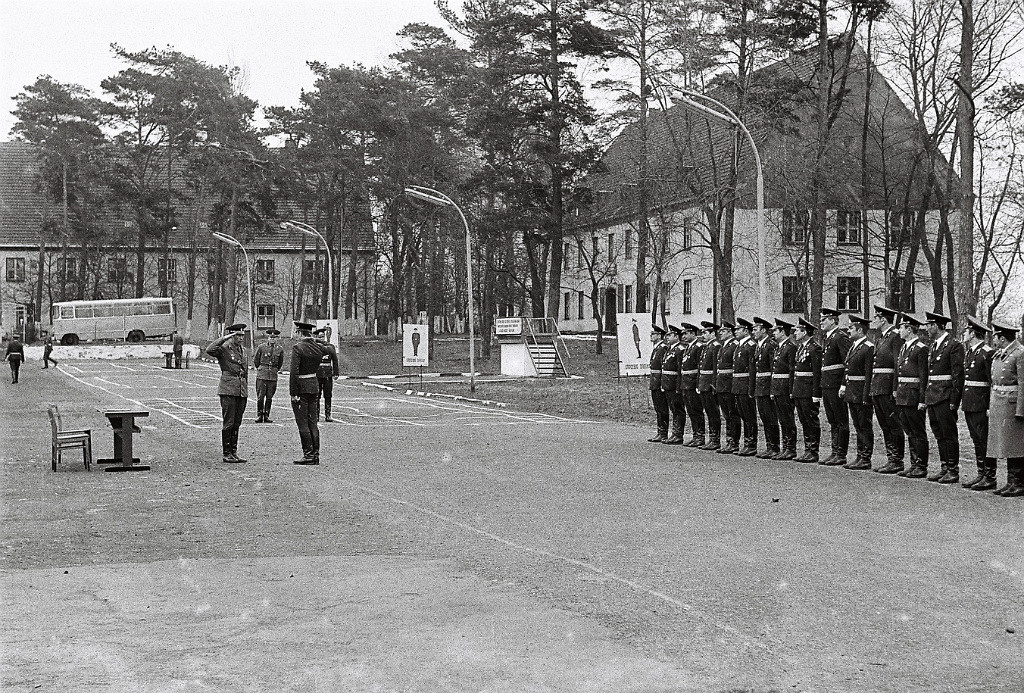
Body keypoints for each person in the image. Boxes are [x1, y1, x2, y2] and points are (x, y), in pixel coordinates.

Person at [923, 311, 966, 484]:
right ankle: (944, 467)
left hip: (945, 396)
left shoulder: (954, 345)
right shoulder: (934, 345)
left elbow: (958, 375)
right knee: (938, 432)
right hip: (933, 395)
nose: (926, 328)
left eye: (929, 325)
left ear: (936, 326)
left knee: (949, 434)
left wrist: (954, 401)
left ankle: (953, 469)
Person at [988, 321, 1024, 497]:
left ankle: (1019, 482)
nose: (993, 339)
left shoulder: (1019, 353)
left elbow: (1023, 384)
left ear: (1002, 338)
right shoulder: (1001, 354)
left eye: (995, 336)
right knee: (1007, 445)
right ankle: (1011, 481)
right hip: (1000, 403)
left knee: (1016, 445)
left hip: (1012, 404)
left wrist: (1021, 410)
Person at [960, 316, 997, 490]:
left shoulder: (987, 353)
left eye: (966, 331)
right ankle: (981, 473)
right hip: (970, 401)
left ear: (973, 333)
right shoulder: (971, 351)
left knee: (983, 439)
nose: (964, 334)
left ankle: (990, 476)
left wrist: (990, 405)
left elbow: (992, 381)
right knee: (976, 439)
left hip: (981, 402)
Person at [205, 324, 249, 463]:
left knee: (237, 422)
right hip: (228, 389)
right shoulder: (224, 349)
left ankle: (234, 452)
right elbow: (209, 349)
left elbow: (245, 370)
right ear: (231, 336)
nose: (241, 338)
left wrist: (245, 388)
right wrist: (224, 338)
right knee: (229, 422)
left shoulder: (243, 350)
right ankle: (227, 453)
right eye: (237, 335)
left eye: (242, 335)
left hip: (241, 390)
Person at [869, 305, 905, 474]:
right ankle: (891, 458)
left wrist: (894, 388)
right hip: (878, 386)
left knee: (893, 423)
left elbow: (898, 364)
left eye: (876, 318)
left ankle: (897, 460)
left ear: (883, 320)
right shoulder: (881, 337)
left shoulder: (895, 337)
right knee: (884, 424)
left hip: (888, 386)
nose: (873, 321)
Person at [893, 313, 930, 478]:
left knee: (918, 431)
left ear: (909, 329)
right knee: (909, 430)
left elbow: (924, 377)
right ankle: (914, 463)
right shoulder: (904, 347)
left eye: (901, 327)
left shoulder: (921, 348)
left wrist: (922, 399)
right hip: (903, 394)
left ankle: (921, 465)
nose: (899, 330)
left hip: (914, 396)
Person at [290, 321, 328, 465]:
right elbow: (329, 349)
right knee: (313, 421)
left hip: (301, 387)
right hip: (313, 385)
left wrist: (293, 392)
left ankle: (308, 454)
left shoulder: (298, 348)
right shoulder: (318, 348)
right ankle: (315, 453)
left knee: (302, 422)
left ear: (300, 333)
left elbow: (294, 372)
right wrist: (316, 340)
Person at [819, 308, 853, 466]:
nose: (821, 322)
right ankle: (834, 451)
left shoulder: (840, 337)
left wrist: (844, 384)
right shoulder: (828, 337)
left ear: (833, 320)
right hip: (827, 384)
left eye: (824, 319)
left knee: (841, 420)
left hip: (836, 384)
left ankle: (841, 453)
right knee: (832, 420)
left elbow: (848, 363)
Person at [841, 316, 875, 470]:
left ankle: (865, 458)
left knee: (864, 425)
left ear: (860, 330)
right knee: (858, 425)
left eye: (851, 328)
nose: (848, 331)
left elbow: (868, 374)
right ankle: (860, 455)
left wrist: (866, 395)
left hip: (861, 391)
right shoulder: (854, 346)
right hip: (852, 390)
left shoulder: (868, 347)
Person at [791, 318, 822, 463]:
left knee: (811, 420)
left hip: (808, 390)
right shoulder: (801, 347)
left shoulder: (814, 348)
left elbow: (817, 373)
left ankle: (813, 450)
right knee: (804, 420)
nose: (795, 333)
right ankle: (807, 449)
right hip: (800, 389)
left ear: (805, 332)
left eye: (797, 330)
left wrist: (816, 394)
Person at [752, 317, 779, 459]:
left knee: (771, 417)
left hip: (767, 385)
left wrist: (772, 389)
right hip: (760, 385)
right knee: (764, 417)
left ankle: (774, 446)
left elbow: (773, 369)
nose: (753, 332)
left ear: (763, 330)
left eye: (755, 329)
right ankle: (769, 446)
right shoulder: (760, 345)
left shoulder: (770, 345)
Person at [770, 318, 797, 459]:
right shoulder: (779, 347)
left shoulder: (790, 347)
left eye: (776, 330)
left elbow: (792, 370)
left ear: (783, 332)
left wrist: (791, 389)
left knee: (788, 418)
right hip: (778, 387)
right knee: (782, 418)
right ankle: (785, 446)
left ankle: (790, 448)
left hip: (785, 387)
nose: (773, 333)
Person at [731, 318, 758, 456]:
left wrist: (751, 388)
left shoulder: (751, 345)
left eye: (738, 329)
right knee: (743, 415)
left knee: (749, 415)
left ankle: (751, 444)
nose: (735, 332)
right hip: (738, 385)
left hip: (746, 384)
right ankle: (747, 442)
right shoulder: (740, 345)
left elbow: (752, 369)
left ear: (746, 331)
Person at [678, 322, 705, 447]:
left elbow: (699, 367)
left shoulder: (698, 347)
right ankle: (695, 435)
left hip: (693, 382)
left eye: (686, 333)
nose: (683, 336)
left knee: (696, 410)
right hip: (686, 382)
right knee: (691, 410)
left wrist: (697, 383)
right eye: (683, 333)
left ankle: (700, 435)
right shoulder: (689, 347)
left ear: (693, 334)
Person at [714, 321, 739, 454]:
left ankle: (734, 442)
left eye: (723, 331)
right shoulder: (724, 346)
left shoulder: (734, 345)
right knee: (726, 414)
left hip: (729, 384)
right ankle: (729, 440)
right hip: (722, 384)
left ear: (730, 332)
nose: (720, 334)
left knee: (732, 414)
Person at [697, 321, 722, 450]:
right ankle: (712, 438)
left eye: (706, 332)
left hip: (709, 383)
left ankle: (715, 439)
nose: (704, 335)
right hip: (703, 382)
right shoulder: (707, 346)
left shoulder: (716, 346)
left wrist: (713, 384)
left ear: (713, 333)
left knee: (713, 413)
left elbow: (715, 366)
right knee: (708, 411)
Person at [660, 326, 686, 444]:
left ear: (676, 336)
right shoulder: (670, 349)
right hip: (667, 383)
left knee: (678, 409)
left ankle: (678, 434)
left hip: (674, 383)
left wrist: (678, 387)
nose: (667, 338)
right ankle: (674, 433)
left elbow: (680, 369)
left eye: (670, 335)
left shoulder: (680, 349)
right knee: (673, 409)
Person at [254, 328, 285, 423]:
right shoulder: (261, 347)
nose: (272, 339)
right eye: (270, 337)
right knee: (260, 397)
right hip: (262, 375)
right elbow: (256, 361)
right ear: (267, 338)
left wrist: (275, 370)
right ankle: (260, 415)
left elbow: (280, 363)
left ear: (276, 338)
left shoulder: (279, 349)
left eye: (274, 337)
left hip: (273, 375)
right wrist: (262, 368)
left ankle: (267, 415)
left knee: (269, 397)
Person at [647, 325, 670, 443]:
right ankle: (660, 431)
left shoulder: (662, 348)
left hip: (659, 381)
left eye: (653, 334)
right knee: (658, 408)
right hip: (654, 381)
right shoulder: (657, 348)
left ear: (659, 335)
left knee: (662, 408)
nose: (651, 336)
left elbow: (663, 366)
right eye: (651, 334)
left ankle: (663, 432)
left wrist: (661, 383)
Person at [315, 328, 340, 422]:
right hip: (317, 374)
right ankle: (316, 415)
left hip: (327, 374)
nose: (321, 338)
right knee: (316, 395)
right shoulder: (314, 347)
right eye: (319, 337)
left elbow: (335, 360)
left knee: (328, 395)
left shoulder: (330, 347)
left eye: (322, 336)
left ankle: (328, 414)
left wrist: (336, 373)